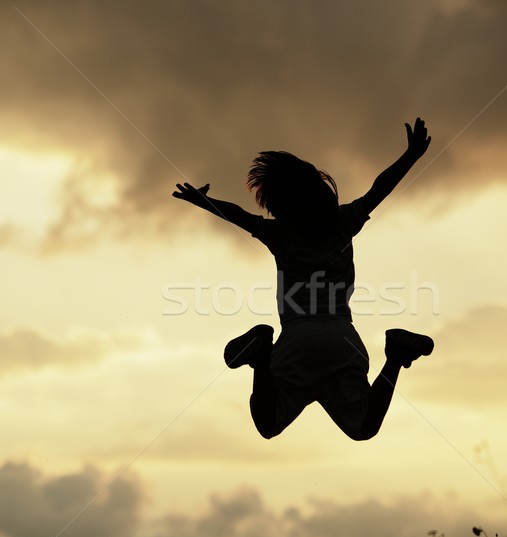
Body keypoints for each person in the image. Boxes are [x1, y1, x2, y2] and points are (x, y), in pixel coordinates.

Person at [172, 117, 434, 441]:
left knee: (268, 424)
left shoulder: (280, 233)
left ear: (278, 205)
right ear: (321, 190)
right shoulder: (343, 221)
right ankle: (395, 354)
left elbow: (238, 215)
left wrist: (203, 201)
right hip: (342, 336)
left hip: (298, 336)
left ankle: (260, 354)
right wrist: (411, 156)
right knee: (364, 426)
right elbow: (378, 190)